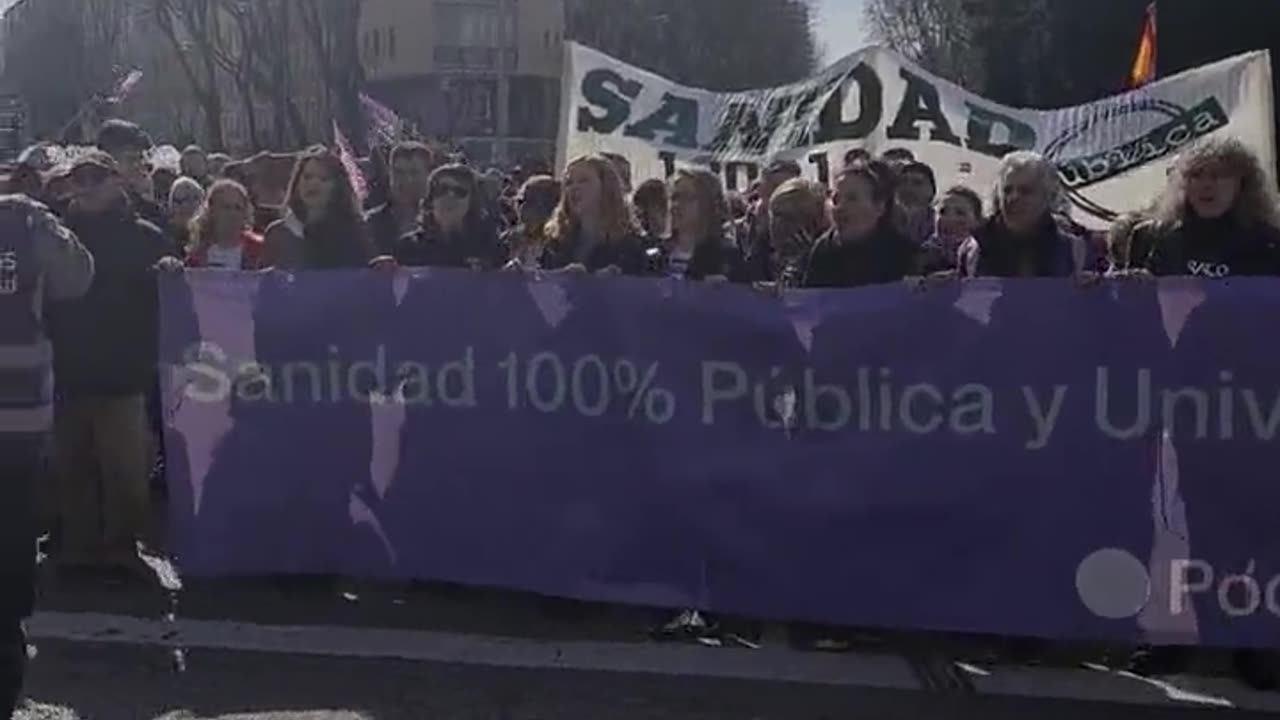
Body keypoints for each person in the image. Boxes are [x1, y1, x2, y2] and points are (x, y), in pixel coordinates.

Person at [1125, 138, 1280, 690]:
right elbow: (1132, 313)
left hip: (1247, 405)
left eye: (1220, 175)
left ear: (1243, 184)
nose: (1207, 186)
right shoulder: (1157, 240)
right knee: (1177, 521)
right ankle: (1175, 634)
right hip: (1176, 399)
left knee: (1249, 521)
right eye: (1197, 175)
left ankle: (1252, 638)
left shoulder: (1265, 243)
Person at [45, 152, 176, 578]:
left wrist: (171, 272)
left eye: (95, 177)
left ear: (116, 181)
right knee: (72, 466)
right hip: (65, 369)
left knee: (126, 471)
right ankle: (78, 548)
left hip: (123, 370)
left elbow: (169, 295)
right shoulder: (54, 235)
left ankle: (123, 549)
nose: (86, 184)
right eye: (78, 178)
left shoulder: (147, 236)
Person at [0, 195, 93, 717]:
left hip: (15, 424)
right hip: (19, 420)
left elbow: (77, 279)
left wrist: (47, 223)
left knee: (9, 550)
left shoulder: (25, 225)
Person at [959, 151, 1091, 278]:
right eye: (1007, 190)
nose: (1013, 198)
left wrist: (1092, 287)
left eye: (1025, 191)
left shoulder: (1073, 252)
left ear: (1049, 197)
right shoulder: (973, 250)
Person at [802, 161, 918, 288]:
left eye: (852, 199)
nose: (840, 207)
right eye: (836, 200)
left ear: (879, 207)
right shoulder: (822, 251)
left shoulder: (903, 254)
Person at [263, 147, 378, 270]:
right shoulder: (278, 232)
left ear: (337, 187)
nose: (313, 184)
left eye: (323, 179)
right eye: (307, 177)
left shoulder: (355, 231)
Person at [541, 155, 648, 275]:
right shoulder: (557, 242)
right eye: (569, 183)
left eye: (583, 181)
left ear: (606, 187)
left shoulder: (630, 246)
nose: (574, 188)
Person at [391, 164, 501, 269]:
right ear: (431, 199)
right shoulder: (409, 248)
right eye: (442, 189)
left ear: (471, 202)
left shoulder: (488, 247)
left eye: (460, 191)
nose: (450, 196)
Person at [648, 168, 744, 281]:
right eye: (674, 197)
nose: (676, 205)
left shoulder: (726, 258)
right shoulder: (656, 256)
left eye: (687, 197)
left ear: (709, 204)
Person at [747, 177, 829, 287]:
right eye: (775, 215)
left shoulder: (827, 258)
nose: (779, 225)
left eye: (790, 218)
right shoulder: (759, 253)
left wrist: (803, 261)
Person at [365, 142, 434, 256]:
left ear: (429, 175)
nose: (407, 180)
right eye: (399, 172)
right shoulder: (371, 223)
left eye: (414, 172)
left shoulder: (441, 225)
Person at [96, 120, 165, 228]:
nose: (139, 166)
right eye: (131, 159)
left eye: (140, 158)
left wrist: (149, 203)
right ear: (108, 160)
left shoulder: (143, 204)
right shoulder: (89, 206)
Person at [185, 179, 266, 270]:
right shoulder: (197, 255)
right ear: (211, 211)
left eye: (237, 208)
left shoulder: (260, 250)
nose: (232, 213)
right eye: (226, 207)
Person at [739, 158, 802, 259]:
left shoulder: (805, 229)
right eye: (776, 187)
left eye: (790, 190)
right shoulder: (739, 231)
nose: (783, 195)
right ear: (760, 189)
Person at [500, 175, 560, 268]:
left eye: (532, 201)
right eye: (521, 201)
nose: (523, 208)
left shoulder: (558, 245)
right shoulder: (507, 240)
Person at [920, 185, 983, 274]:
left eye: (960, 213)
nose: (949, 219)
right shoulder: (921, 255)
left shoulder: (983, 257)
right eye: (943, 212)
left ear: (977, 221)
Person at [896, 161, 937, 245]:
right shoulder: (883, 220)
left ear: (931, 191)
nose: (908, 188)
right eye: (903, 181)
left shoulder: (939, 226)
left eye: (917, 183)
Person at [166, 177, 205, 257]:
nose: (192, 205)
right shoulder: (164, 236)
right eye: (185, 199)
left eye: (196, 198)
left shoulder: (208, 235)